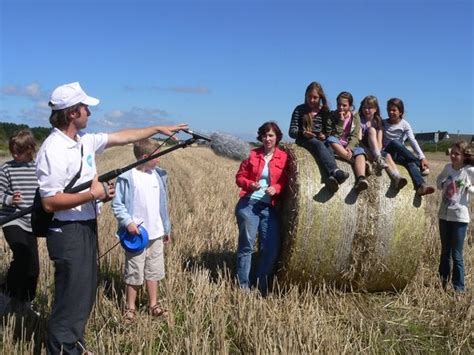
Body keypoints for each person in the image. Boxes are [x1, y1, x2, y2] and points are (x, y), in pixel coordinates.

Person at [35, 82, 187, 354]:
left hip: (85, 227)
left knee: (83, 294)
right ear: (72, 113)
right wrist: (93, 194)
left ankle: (74, 345)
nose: (89, 113)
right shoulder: (53, 149)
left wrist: (157, 128)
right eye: (85, 108)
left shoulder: (83, 142)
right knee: (71, 297)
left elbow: (123, 136)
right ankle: (61, 349)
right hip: (67, 231)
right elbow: (49, 202)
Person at [112, 139, 171, 323]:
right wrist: (128, 222)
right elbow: (117, 204)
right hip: (135, 236)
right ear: (145, 157)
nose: (159, 161)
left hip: (156, 233)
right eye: (157, 157)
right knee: (134, 271)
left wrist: (166, 229)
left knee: (154, 270)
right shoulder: (127, 178)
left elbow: (162, 206)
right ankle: (130, 308)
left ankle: (154, 305)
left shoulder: (158, 176)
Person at [235, 121, 288, 295]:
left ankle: (261, 285)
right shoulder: (251, 154)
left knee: (271, 248)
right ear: (261, 137)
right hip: (249, 204)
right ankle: (243, 287)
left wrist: (277, 188)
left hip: (268, 206)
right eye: (265, 135)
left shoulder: (283, 157)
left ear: (277, 137)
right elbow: (239, 177)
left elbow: (285, 181)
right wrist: (250, 184)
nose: (267, 138)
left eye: (271, 135)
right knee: (247, 246)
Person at [0, 130, 39, 315]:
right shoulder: (6, 169)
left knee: (33, 266)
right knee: (22, 255)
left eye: (19, 152)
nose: (15, 155)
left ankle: (25, 302)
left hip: (31, 222)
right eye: (13, 151)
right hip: (12, 219)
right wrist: (9, 199)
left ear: (30, 149)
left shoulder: (39, 168)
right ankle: (5, 294)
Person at [289, 82, 349, 192]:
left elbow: (328, 131)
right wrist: (303, 133)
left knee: (329, 146)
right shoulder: (299, 110)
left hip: (320, 140)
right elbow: (292, 131)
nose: (312, 100)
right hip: (304, 140)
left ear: (320, 97)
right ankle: (335, 171)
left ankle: (330, 178)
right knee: (317, 144)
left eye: (315, 97)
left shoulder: (324, 111)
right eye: (309, 97)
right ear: (305, 96)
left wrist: (324, 135)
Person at [436, 140, 474, 293]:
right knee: (445, 252)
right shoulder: (447, 168)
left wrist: (469, 187)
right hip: (444, 216)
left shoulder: (470, 171)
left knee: (456, 254)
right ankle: (442, 282)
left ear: (464, 156)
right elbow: (438, 182)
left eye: (456, 154)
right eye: (452, 153)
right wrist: (443, 182)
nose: (452, 156)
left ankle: (459, 288)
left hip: (459, 218)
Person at [382, 98, 434, 196]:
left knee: (410, 163)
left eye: (394, 110)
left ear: (400, 112)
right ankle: (418, 163)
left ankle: (421, 186)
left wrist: (422, 156)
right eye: (389, 110)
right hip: (386, 153)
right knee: (395, 142)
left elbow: (412, 140)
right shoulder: (383, 123)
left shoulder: (405, 124)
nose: (390, 112)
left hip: (398, 154)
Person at [357, 96, 407, 190]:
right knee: (371, 130)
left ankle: (397, 177)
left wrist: (379, 152)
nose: (367, 110)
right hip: (364, 148)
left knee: (387, 155)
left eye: (370, 108)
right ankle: (377, 159)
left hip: (376, 150)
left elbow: (380, 141)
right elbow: (359, 140)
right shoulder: (360, 120)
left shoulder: (378, 120)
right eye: (365, 107)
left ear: (375, 109)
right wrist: (369, 153)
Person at [325, 91, 368, 192]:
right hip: (337, 145)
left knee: (360, 151)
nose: (341, 107)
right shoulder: (331, 116)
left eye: (344, 105)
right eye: (339, 104)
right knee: (330, 139)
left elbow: (355, 136)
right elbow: (332, 135)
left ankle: (361, 179)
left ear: (350, 106)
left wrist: (350, 147)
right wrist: (340, 121)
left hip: (348, 146)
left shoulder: (355, 117)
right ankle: (352, 160)